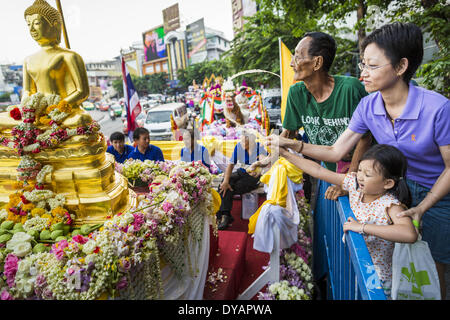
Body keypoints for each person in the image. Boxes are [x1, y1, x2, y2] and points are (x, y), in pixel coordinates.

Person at [268, 22, 450, 299]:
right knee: (398, 265)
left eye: (372, 66)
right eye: (363, 64)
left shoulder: (437, 108)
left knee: (431, 266)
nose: (363, 73)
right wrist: (292, 145)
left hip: (438, 194)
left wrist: (423, 207)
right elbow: (334, 152)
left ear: (400, 67)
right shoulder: (368, 106)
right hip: (394, 187)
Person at [278, 144, 418, 296]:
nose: (360, 176)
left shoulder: (389, 205)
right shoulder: (355, 185)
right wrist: (285, 154)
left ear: (388, 183)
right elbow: (318, 171)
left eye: (368, 174)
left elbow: (409, 234)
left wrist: (362, 227)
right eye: (359, 170)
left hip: (377, 278)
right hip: (354, 266)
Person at [281, 31, 373, 200]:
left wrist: (348, 182)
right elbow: (288, 135)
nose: (292, 63)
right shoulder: (296, 93)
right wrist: (266, 155)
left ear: (317, 62)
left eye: (298, 57)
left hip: (365, 177)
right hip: (330, 172)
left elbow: (365, 138)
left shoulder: (350, 89)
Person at [217, 131, 268, 230]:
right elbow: (231, 165)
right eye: (242, 141)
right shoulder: (239, 146)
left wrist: (257, 164)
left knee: (235, 186)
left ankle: (224, 215)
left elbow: (263, 161)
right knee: (225, 182)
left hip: (254, 176)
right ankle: (226, 214)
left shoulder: (258, 147)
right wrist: (226, 181)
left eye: (245, 142)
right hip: (242, 171)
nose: (242, 144)